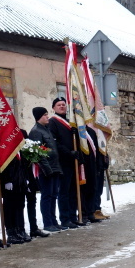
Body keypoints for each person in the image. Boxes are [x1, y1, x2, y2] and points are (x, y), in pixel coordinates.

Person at [49, 97, 85, 229]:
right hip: (63, 161)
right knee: (64, 191)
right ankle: (64, 219)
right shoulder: (53, 122)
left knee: (73, 191)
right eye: (59, 105)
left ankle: (73, 216)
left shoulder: (71, 122)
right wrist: (69, 152)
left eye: (64, 104)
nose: (62, 106)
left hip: (73, 161)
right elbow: (55, 143)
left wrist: (74, 133)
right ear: (54, 107)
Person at [27, 107, 64, 232]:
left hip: (54, 167)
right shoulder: (36, 131)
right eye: (45, 115)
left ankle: (53, 220)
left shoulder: (46, 130)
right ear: (39, 117)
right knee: (47, 196)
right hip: (46, 170)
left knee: (54, 195)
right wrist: (47, 169)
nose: (48, 117)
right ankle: (48, 223)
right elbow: (38, 153)